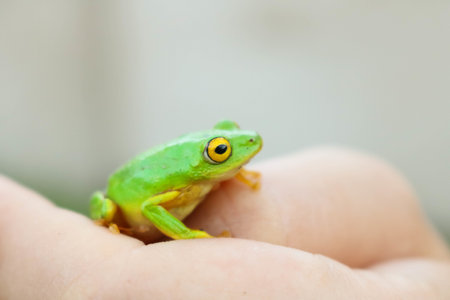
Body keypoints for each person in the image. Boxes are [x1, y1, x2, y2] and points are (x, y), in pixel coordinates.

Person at [0, 148, 449, 299]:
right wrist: (190, 237)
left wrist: (227, 173)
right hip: (122, 200)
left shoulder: (204, 177)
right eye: (220, 151)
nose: (246, 145)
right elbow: (155, 209)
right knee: (105, 209)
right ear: (204, 158)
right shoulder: (179, 185)